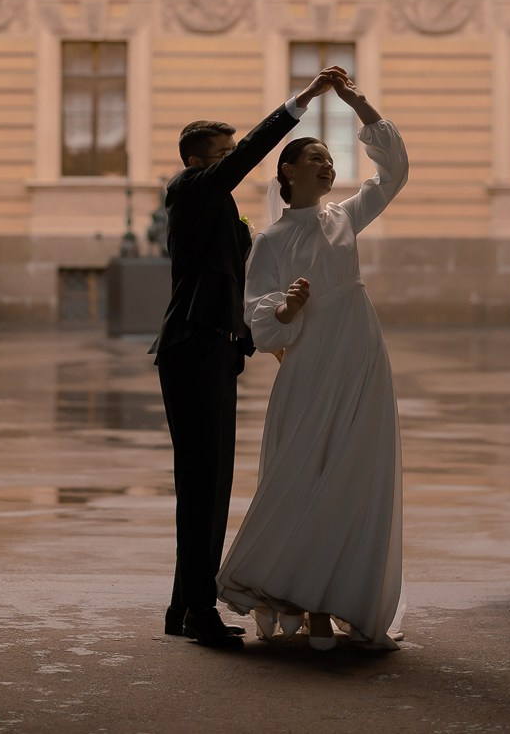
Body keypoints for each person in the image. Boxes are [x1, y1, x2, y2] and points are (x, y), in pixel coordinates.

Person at [151, 68, 345, 649]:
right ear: (196, 161)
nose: (232, 162)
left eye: (230, 154)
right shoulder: (192, 190)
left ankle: (183, 605)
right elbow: (253, 153)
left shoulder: (221, 210)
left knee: (208, 483)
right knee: (203, 484)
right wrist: (301, 102)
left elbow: (243, 287)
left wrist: (275, 332)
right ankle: (197, 613)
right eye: (222, 155)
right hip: (194, 347)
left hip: (215, 349)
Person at [217, 71, 409, 652]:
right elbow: (257, 316)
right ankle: (291, 593)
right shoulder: (272, 240)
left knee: (356, 472)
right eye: (316, 158)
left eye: (330, 159)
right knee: (301, 473)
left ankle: (338, 598)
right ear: (288, 173)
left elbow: (393, 173)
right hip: (308, 363)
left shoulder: (344, 217)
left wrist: (357, 103)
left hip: (360, 354)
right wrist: (287, 306)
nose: (328, 167)